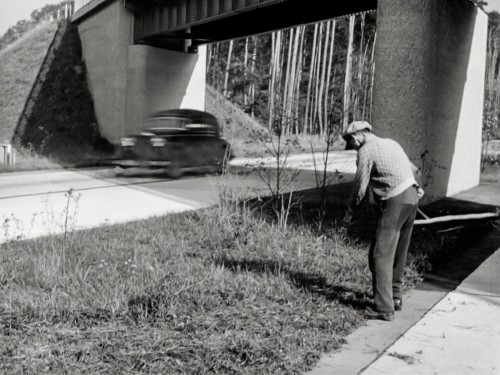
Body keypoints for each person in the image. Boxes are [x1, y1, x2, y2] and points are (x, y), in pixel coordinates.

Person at [342, 120, 424, 321]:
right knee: (398, 251)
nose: (353, 147)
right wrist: (418, 188)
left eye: (351, 143)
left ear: (357, 137)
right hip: (412, 197)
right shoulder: (390, 143)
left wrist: (350, 214)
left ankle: (384, 308)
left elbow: (360, 186)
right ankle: (395, 296)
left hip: (396, 199)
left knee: (381, 253)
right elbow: (414, 169)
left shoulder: (367, 150)